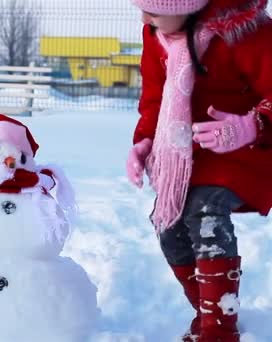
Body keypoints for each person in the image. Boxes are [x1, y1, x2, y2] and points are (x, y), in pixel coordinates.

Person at [126, 0, 272, 341]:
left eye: (153, 9)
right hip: (191, 154)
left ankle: (218, 331)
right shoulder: (156, 32)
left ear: (187, 6)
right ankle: (208, 312)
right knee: (169, 226)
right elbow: (154, 98)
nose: (144, 18)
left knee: (204, 209)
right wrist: (144, 142)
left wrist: (252, 126)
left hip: (250, 149)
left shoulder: (248, 33)